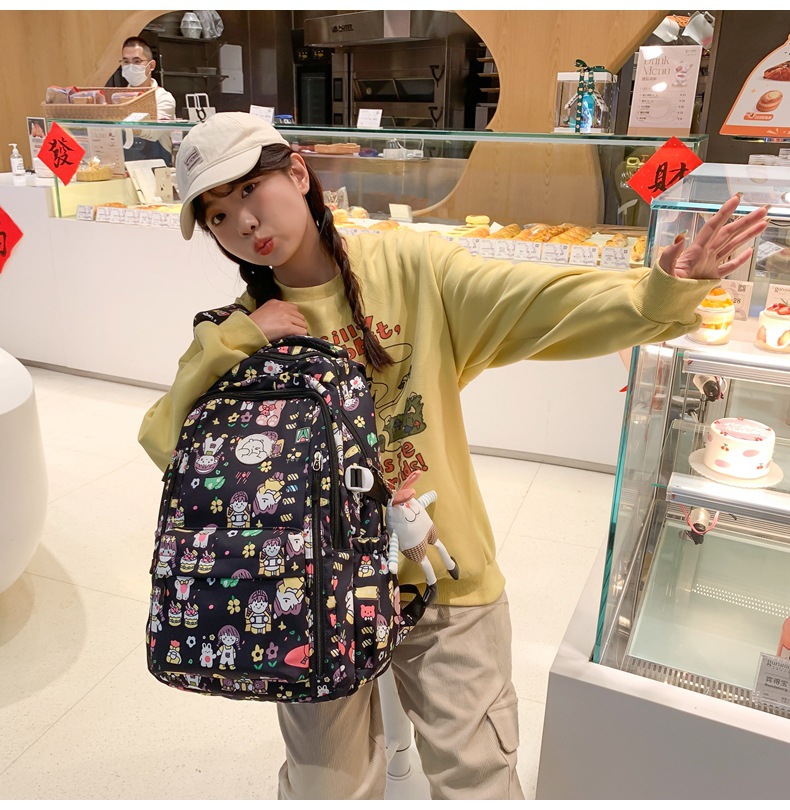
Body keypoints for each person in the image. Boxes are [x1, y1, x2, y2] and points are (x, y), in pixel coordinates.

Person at [138, 112, 768, 800]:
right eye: (218, 215)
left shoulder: (408, 268)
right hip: (311, 593)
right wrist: (236, 343)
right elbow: (167, 439)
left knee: (477, 777)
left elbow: (530, 302)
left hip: (442, 573)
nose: (243, 223)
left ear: (297, 173)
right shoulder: (241, 331)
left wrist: (660, 289)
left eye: (249, 190)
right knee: (325, 789)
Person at [117, 36, 176, 165]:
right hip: (124, 169)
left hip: (156, 169)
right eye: (126, 61)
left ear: (151, 65)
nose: (131, 66)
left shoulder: (163, 98)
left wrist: (121, 126)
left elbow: (154, 132)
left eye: (137, 61)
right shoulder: (116, 98)